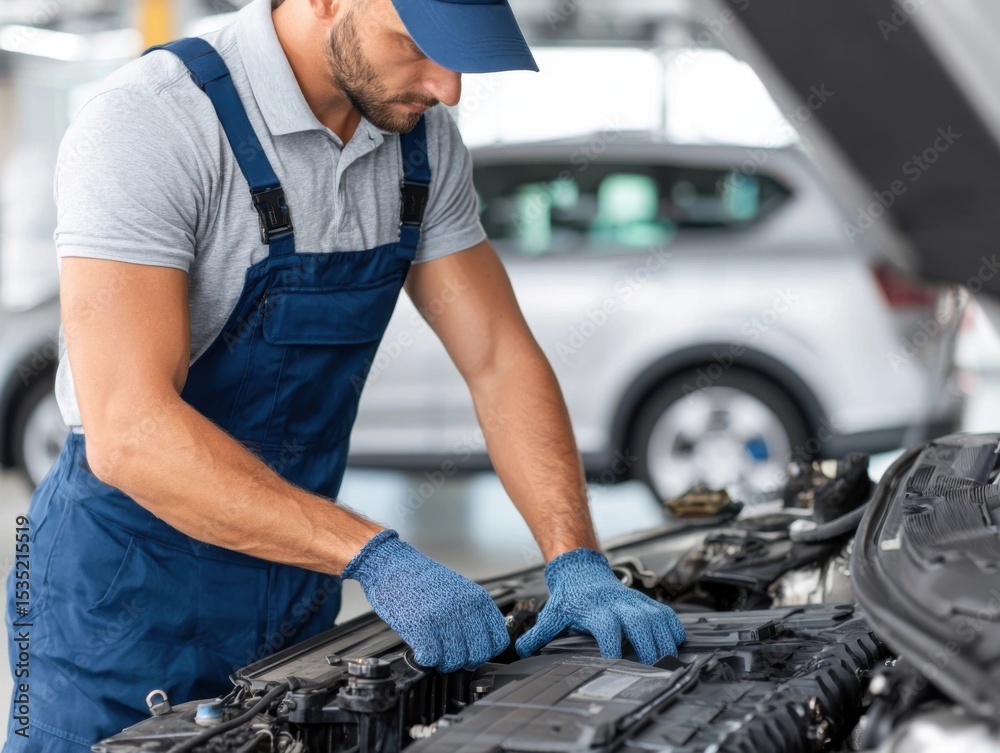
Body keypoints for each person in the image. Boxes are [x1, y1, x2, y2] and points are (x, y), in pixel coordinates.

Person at [2, 0, 685, 749]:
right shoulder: (153, 122)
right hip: (121, 596)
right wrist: (374, 554)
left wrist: (575, 556)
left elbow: (499, 359)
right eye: (421, 45)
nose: (450, 87)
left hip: (293, 578)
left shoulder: (420, 143)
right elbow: (129, 431)